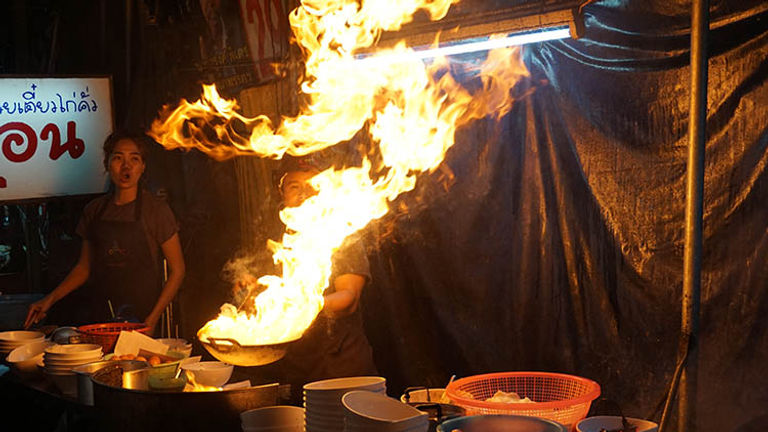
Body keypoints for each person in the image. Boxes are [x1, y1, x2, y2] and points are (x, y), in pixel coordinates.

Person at [25, 131, 185, 332]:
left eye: (134, 159)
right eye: (118, 158)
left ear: (143, 167)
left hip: (144, 316)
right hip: (101, 317)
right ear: (107, 164)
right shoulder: (94, 210)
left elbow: (177, 270)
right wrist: (49, 299)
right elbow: (84, 268)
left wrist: (152, 318)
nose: (126, 166)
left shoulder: (156, 210)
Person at [271, 157, 378, 404]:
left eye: (313, 187)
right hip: (299, 368)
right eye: (294, 186)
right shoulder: (283, 238)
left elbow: (349, 298)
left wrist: (307, 305)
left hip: (342, 368)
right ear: (282, 192)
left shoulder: (341, 234)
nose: (303, 194)